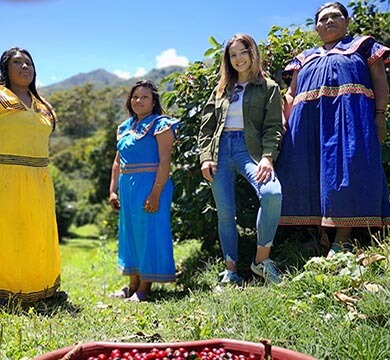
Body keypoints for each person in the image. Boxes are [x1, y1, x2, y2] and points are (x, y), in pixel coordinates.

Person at [275, 2, 390, 259]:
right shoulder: (304, 57)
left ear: (346, 21)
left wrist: (380, 115)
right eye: (323, 18)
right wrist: (282, 121)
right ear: (316, 27)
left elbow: (380, 80)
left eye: (335, 16)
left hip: (350, 120)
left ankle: (342, 239)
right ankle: (320, 237)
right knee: (307, 174)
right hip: (306, 124)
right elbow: (291, 94)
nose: (329, 21)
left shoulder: (363, 46)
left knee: (348, 172)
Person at [198, 33, 283, 284]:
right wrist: (205, 157)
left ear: (252, 53)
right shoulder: (221, 88)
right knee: (225, 213)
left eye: (242, 52)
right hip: (220, 151)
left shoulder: (268, 88)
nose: (238, 59)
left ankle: (260, 261)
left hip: (251, 150)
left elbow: (273, 127)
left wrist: (268, 157)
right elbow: (206, 127)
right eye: (232, 55)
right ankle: (231, 271)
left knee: (272, 193)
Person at [0, 47, 61, 303]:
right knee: (10, 231)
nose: (25, 67)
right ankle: (7, 291)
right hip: (6, 176)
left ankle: (43, 288)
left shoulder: (42, 105)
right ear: (5, 68)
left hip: (39, 178)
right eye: (17, 62)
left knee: (39, 231)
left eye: (28, 63)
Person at [109, 80, 178, 302]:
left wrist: (156, 192)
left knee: (149, 231)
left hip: (151, 184)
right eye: (135, 97)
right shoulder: (124, 127)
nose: (138, 101)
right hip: (127, 188)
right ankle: (132, 284)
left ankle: (144, 288)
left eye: (144, 97)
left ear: (154, 101)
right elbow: (117, 163)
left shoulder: (161, 124)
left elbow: (165, 161)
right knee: (130, 233)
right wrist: (113, 191)